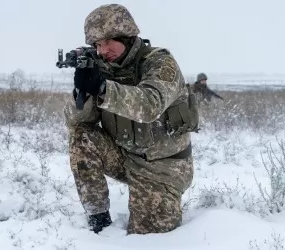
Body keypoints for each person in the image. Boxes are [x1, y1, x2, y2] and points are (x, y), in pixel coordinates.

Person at [63, 4, 198, 235]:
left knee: (147, 240)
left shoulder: (160, 63)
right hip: (126, 158)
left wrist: (102, 87)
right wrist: (83, 91)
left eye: (107, 42)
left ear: (126, 36)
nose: (103, 50)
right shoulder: (103, 68)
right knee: (81, 136)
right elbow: (76, 122)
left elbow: (149, 105)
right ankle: (99, 220)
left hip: (164, 168)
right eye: (97, 45)